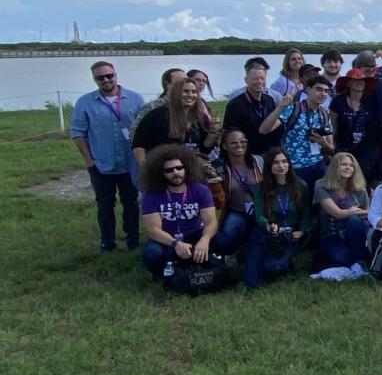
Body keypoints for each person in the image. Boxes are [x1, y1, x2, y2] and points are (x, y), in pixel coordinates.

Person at [71, 61, 145, 252]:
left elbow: (145, 130)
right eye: (100, 77)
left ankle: (133, 241)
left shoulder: (135, 99)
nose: (106, 80)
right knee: (105, 205)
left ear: (115, 75)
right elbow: (78, 133)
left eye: (109, 75)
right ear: (94, 79)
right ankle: (107, 243)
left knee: (131, 203)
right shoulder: (85, 102)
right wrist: (90, 161)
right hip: (102, 164)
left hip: (130, 164)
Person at [139, 145, 218, 279]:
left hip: (195, 235)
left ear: (186, 168)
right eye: (169, 170)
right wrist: (175, 244)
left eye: (179, 168)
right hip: (166, 239)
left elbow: (211, 221)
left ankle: (210, 266)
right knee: (151, 253)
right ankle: (164, 273)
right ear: (161, 173)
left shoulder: (201, 190)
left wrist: (204, 240)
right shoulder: (151, 195)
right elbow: (153, 230)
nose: (175, 172)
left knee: (221, 240)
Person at [259, 74, 335, 199]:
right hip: (295, 168)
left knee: (319, 205)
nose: (323, 94)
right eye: (319, 89)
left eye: (326, 91)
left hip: (318, 167)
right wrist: (281, 108)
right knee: (299, 204)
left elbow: (331, 148)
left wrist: (323, 143)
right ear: (308, 90)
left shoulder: (324, 115)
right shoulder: (294, 109)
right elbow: (264, 130)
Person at [243, 147, 310, 287]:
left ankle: (283, 264)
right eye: (276, 163)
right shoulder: (260, 188)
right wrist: (268, 225)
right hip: (266, 232)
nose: (281, 166)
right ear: (269, 166)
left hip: (290, 234)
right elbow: (259, 215)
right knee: (252, 283)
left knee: (273, 267)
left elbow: (306, 212)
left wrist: (302, 230)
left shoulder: (301, 185)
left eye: (284, 161)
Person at [132, 76, 219, 165]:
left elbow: (204, 149)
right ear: (176, 93)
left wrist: (212, 133)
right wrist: (145, 169)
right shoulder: (157, 116)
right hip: (162, 170)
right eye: (185, 91)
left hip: (190, 170)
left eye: (194, 92)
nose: (190, 95)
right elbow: (138, 145)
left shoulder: (200, 117)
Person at [313, 152, 370, 269]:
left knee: (354, 220)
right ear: (335, 167)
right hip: (331, 235)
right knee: (343, 257)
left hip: (355, 234)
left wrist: (355, 213)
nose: (348, 167)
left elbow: (369, 213)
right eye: (344, 164)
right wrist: (353, 211)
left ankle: (360, 258)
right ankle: (359, 257)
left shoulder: (360, 190)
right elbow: (337, 213)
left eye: (351, 165)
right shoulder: (321, 185)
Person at [211, 128, 263, 256]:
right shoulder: (217, 167)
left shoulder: (258, 161)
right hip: (236, 210)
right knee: (223, 240)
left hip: (261, 210)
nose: (239, 145)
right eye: (233, 142)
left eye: (243, 141)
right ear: (224, 145)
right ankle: (231, 254)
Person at [223, 62, 283, 155]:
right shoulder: (235, 105)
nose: (260, 82)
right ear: (246, 80)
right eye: (255, 79)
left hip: (269, 154)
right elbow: (229, 134)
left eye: (262, 78)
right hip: (248, 155)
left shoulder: (269, 100)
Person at [330, 67, 376, 163]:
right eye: (355, 80)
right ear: (348, 83)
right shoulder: (338, 101)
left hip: (366, 151)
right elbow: (333, 128)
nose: (359, 83)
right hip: (343, 150)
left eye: (362, 80)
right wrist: (332, 149)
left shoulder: (372, 101)